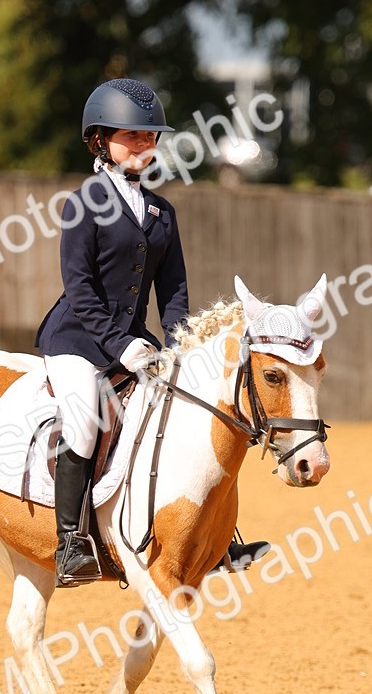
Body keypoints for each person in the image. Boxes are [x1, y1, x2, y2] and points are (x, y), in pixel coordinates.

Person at [35, 77, 269, 587]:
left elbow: (175, 290)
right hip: (77, 339)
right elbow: (78, 287)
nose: (145, 145)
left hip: (135, 344)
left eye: (150, 136)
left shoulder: (162, 212)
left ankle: (220, 538)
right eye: (132, 136)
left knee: (186, 412)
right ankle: (71, 542)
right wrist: (121, 345)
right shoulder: (84, 202)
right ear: (100, 139)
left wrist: (182, 347)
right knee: (83, 419)